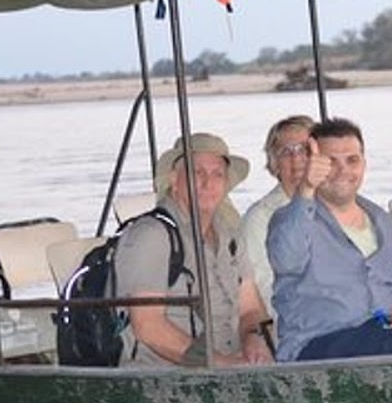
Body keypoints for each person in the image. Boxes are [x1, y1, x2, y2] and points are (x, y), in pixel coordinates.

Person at [267, 118, 392, 361]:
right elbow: (286, 261)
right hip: (318, 344)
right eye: (331, 161)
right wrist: (305, 190)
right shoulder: (289, 218)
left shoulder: (384, 222)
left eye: (352, 160)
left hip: (388, 334)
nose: (344, 170)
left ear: (364, 164)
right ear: (315, 165)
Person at [112, 133, 273, 367]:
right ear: (175, 181)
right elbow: (148, 326)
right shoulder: (152, 235)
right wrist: (221, 364)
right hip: (164, 378)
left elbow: (251, 310)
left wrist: (254, 340)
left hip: (230, 368)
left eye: (217, 174)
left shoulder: (230, 236)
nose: (208, 183)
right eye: (197, 173)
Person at [239, 113, 316, 324]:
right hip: (298, 326)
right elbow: (264, 291)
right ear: (274, 164)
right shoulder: (260, 218)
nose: (297, 159)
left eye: (305, 150)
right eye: (286, 152)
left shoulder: (338, 207)